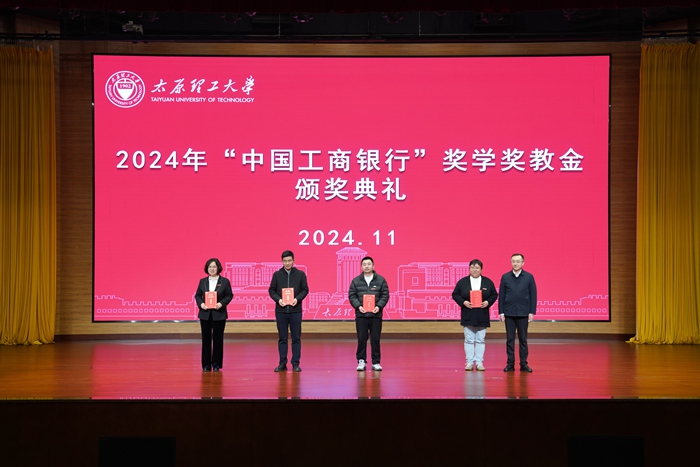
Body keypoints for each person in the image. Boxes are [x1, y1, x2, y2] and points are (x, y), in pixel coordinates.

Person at [451, 259, 498, 371]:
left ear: (481, 269)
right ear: (469, 269)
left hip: (482, 314)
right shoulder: (463, 282)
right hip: (468, 314)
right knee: (469, 340)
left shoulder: (487, 282)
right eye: (472, 267)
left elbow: (494, 295)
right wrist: (463, 302)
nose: (475, 270)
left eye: (477, 268)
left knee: (480, 340)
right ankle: (469, 362)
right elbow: (455, 294)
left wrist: (488, 302)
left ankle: (479, 362)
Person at [268, 250, 308, 373]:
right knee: (282, 338)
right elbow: (271, 290)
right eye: (285, 261)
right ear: (282, 261)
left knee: (296, 338)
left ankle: (295, 363)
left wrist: (297, 299)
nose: (287, 263)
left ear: (293, 261)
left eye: (289, 260)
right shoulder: (277, 275)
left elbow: (305, 290)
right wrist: (279, 300)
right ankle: (282, 363)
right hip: (281, 311)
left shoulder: (300, 274)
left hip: (296, 310)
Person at [348, 256, 390, 371]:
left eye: (369, 264)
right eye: (364, 264)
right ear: (361, 267)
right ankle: (361, 361)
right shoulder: (356, 281)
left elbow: (385, 295)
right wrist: (358, 306)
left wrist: (379, 306)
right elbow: (352, 295)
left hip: (376, 315)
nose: (366, 266)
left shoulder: (381, 280)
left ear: (373, 266)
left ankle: (376, 362)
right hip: (361, 315)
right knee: (362, 338)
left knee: (375, 339)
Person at [499, 253, 537, 372]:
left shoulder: (529, 277)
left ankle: (523, 363)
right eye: (513, 261)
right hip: (509, 312)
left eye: (518, 261)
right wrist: (501, 312)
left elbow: (533, 295)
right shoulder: (505, 277)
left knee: (523, 340)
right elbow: (501, 295)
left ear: (523, 263)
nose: (515, 263)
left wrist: (531, 312)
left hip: (523, 313)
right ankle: (510, 363)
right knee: (510, 339)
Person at [194, 258, 233, 372]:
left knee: (218, 340)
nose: (212, 269)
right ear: (207, 268)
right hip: (205, 314)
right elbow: (197, 295)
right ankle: (206, 365)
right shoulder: (203, 281)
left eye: (214, 267)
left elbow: (229, 295)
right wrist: (201, 304)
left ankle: (216, 364)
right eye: (210, 267)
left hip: (219, 314)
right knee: (206, 340)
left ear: (218, 268)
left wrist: (221, 303)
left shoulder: (224, 281)